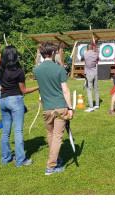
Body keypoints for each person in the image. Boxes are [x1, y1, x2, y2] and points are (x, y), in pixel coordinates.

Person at [0, 45, 39, 167]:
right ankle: (20, 160)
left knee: (6, 132)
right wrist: (38, 87)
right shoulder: (18, 71)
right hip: (15, 101)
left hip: (3, 101)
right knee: (18, 131)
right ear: (15, 56)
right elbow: (23, 90)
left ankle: (6, 158)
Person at [34, 42, 74, 175]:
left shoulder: (37, 70)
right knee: (57, 136)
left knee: (51, 135)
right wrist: (70, 108)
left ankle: (55, 159)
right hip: (59, 107)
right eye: (55, 52)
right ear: (52, 53)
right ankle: (51, 167)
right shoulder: (59, 69)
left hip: (47, 108)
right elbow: (65, 91)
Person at [81, 43, 100, 112]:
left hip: (89, 74)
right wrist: (96, 53)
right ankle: (97, 105)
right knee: (96, 89)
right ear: (92, 48)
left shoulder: (85, 54)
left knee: (89, 90)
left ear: (87, 48)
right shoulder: (95, 54)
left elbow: (81, 59)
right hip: (95, 74)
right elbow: (98, 59)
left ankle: (91, 107)